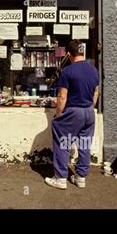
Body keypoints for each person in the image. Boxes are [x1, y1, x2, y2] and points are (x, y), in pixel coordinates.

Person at [45, 40, 99, 189]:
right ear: (82, 52)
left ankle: (61, 178)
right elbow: (96, 93)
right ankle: (81, 177)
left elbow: (62, 97)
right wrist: (88, 107)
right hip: (89, 111)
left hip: (72, 112)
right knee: (84, 144)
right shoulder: (94, 70)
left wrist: (58, 115)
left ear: (68, 54)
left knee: (63, 143)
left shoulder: (67, 71)